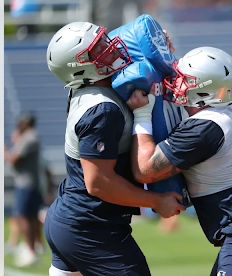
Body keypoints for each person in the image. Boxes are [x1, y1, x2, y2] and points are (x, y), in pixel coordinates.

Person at [127, 46, 232, 276]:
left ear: (203, 92)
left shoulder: (205, 127)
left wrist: (141, 115)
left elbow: (145, 170)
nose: (177, 84)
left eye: (185, 80)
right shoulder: (222, 111)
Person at [44, 21, 185, 276]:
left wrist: (157, 47)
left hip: (75, 219)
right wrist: (156, 200)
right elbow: (98, 182)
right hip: (90, 227)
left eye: (103, 40)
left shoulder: (96, 86)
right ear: (81, 67)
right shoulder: (102, 110)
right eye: (99, 48)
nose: (110, 47)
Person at [4, 113, 44, 267]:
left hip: (26, 184)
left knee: (23, 216)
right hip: (29, 184)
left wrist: (6, 150)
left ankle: (30, 249)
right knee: (30, 217)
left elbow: (13, 159)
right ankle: (31, 248)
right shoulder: (30, 137)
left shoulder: (29, 137)